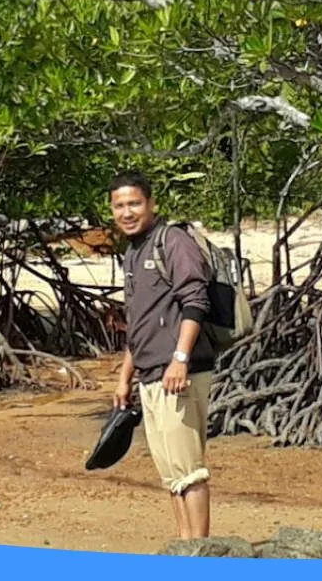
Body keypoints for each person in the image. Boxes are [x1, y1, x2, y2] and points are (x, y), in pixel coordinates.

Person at [108, 170, 215, 540]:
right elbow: (137, 323)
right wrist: (125, 378)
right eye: (119, 205)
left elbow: (195, 302)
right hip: (151, 374)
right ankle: (185, 545)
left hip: (180, 373)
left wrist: (180, 359)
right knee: (172, 473)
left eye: (134, 203)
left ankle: (200, 553)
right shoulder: (133, 251)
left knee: (190, 469)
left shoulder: (173, 241)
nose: (127, 212)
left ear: (152, 204)